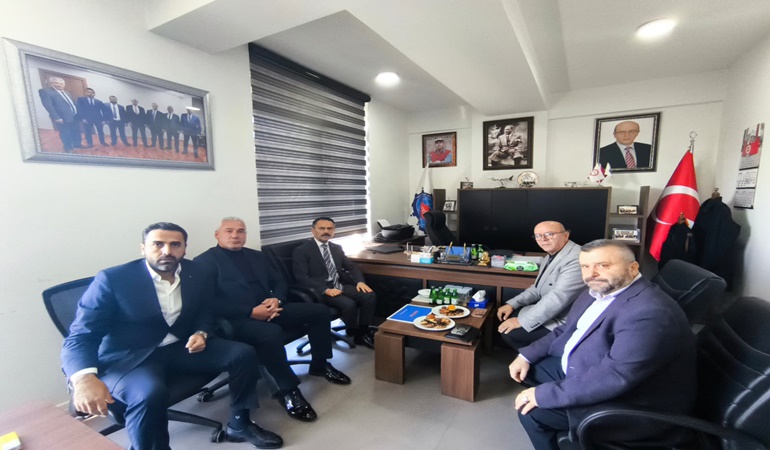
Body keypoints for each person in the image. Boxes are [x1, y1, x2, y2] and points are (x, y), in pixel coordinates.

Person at [61, 222, 283, 450]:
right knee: (149, 394)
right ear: (143, 248)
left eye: (175, 245)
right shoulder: (113, 279)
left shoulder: (197, 272)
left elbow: (205, 310)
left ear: (184, 248)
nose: (167, 251)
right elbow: (81, 335)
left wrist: (201, 332)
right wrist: (83, 379)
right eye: (158, 244)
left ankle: (240, 424)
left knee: (242, 353)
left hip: (180, 347)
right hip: (133, 357)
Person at [509, 240, 696, 450]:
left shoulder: (649, 312)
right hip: (590, 365)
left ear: (633, 268)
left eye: (603, 265)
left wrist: (543, 395)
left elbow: (615, 376)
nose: (591, 274)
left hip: (630, 402)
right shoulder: (597, 292)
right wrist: (525, 356)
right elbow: (566, 330)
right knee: (528, 371)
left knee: (531, 412)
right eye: (585, 266)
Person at [195, 217, 351, 423]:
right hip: (236, 319)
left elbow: (278, 281)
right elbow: (208, 302)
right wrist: (250, 312)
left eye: (240, 231)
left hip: (271, 308)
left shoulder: (256, 256)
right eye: (229, 231)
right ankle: (288, 390)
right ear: (217, 235)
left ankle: (320, 364)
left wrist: (277, 299)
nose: (235, 235)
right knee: (270, 333)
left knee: (319, 311)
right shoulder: (203, 262)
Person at [292, 217, 376, 349]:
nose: (326, 231)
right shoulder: (302, 251)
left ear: (334, 231)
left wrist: (360, 282)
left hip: (339, 284)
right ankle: (353, 331)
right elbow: (302, 277)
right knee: (349, 304)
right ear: (313, 230)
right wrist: (325, 290)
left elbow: (351, 267)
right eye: (322, 228)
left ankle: (363, 332)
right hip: (321, 290)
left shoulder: (336, 248)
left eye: (329, 228)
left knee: (369, 296)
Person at [497, 221, 583, 349]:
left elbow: (557, 298)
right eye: (538, 236)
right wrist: (512, 304)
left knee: (510, 333)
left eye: (549, 234)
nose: (543, 239)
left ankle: (533, 358)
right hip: (553, 313)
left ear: (565, 235)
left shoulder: (577, 258)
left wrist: (522, 321)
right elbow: (537, 288)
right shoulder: (551, 255)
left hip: (565, 321)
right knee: (508, 315)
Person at [38, 76, 81, 151]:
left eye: (61, 84)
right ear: (51, 83)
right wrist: (56, 117)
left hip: (74, 116)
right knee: (65, 133)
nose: (59, 85)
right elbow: (48, 105)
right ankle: (68, 148)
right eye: (56, 83)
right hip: (62, 118)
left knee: (76, 131)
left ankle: (77, 144)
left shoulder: (67, 93)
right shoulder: (46, 92)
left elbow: (72, 104)